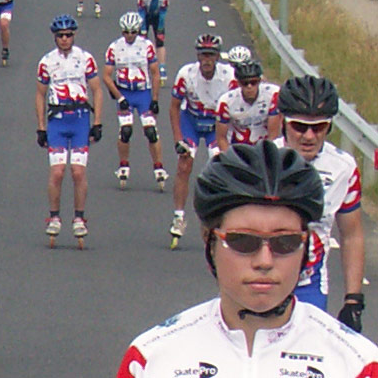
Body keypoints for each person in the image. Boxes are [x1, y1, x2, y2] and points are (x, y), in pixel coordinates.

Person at [116, 140, 378, 377]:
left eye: (284, 242)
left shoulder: (357, 365)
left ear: (306, 245)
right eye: (243, 241)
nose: (264, 260)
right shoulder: (151, 359)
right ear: (210, 241)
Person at [276, 74, 365, 329]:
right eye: (299, 126)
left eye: (319, 127)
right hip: (261, 280)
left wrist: (353, 300)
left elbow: (352, 235)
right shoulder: (261, 159)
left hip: (309, 285)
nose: (309, 136)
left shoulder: (343, 168)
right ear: (284, 122)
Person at [35, 14, 103, 246]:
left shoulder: (85, 59)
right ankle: (54, 216)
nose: (64, 39)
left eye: (68, 35)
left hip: (80, 119)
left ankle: (79, 218)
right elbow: (40, 94)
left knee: (78, 172)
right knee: (57, 172)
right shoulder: (46, 62)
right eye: (60, 36)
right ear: (55, 37)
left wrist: (98, 122)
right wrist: (41, 127)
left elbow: (97, 90)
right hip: (57, 120)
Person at [168, 34, 236, 245]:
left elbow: (234, 107)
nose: (207, 60)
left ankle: (219, 217)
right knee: (184, 165)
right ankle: (178, 217)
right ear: (197, 56)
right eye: (203, 55)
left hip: (216, 124)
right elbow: (174, 107)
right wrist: (178, 138)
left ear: (217, 57)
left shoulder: (228, 76)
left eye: (211, 55)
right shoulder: (186, 74)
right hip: (192, 120)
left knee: (218, 167)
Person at [103, 12, 168, 190]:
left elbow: (155, 73)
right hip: (125, 92)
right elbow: (106, 76)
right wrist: (119, 96)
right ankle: (123, 165)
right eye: (126, 32)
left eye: (133, 32)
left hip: (143, 93)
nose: (130, 35)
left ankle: (159, 167)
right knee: (126, 130)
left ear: (138, 30)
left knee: (151, 131)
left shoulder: (147, 46)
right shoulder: (114, 47)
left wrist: (155, 99)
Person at [215, 59, 281, 151]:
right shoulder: (226, 102)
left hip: (264, 145)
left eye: (253, 82)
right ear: (238, 83)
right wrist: (229, 158)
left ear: (259, 81)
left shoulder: (272, 94)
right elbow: (221, 138)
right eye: (245, 83)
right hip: (237, 147)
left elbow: (273, 134)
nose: (249, 87)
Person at [136, 0, 169, 84]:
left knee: (160, 42)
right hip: (145, 16)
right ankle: (142, 66)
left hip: (157, 17)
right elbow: (141, 14)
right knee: (142, 42)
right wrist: (143, 29)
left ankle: (162, 68)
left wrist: (160, 29)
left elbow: (163, 15)